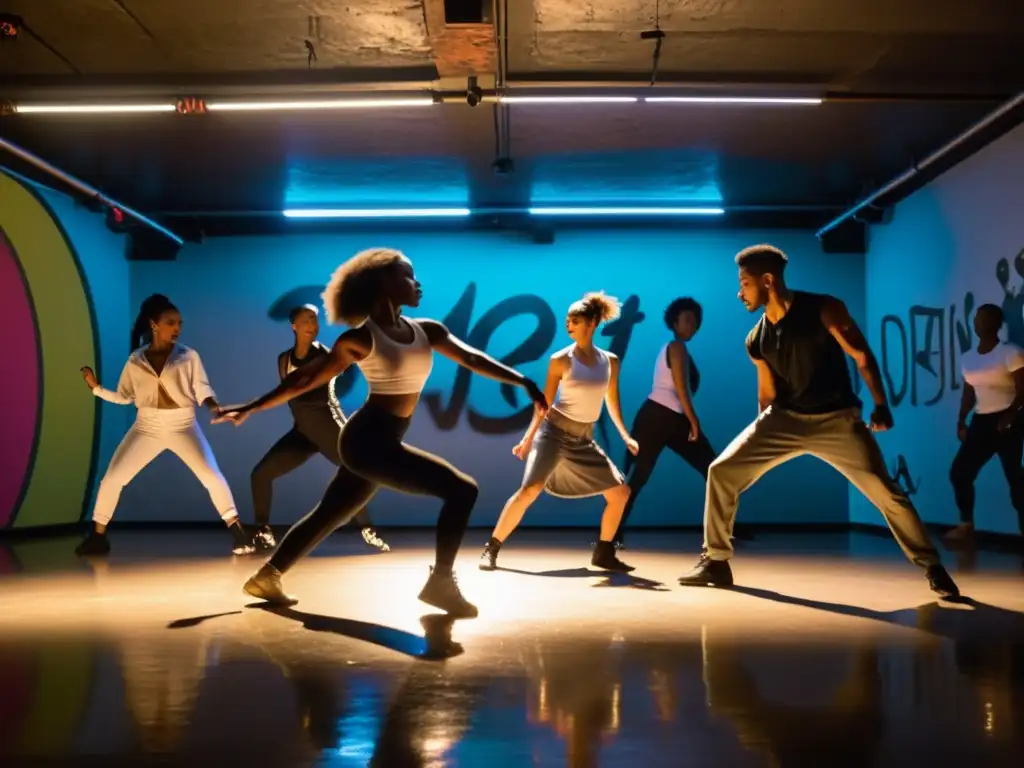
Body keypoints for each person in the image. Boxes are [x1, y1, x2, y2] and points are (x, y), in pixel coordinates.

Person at [215, 247, 547, 617]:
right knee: (461, 490)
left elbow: (471, 358)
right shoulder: (359, 340)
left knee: (330, 512)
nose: (417, 283)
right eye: (408, 275)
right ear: (383, 284)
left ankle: (267, 576)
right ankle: (440, 583)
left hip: (383, 439)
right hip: (366, 440)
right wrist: (251, 406)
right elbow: (304, 379)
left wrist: (522, 381)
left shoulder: (427, 330)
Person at [676, 245, 959, 598]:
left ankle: (932, 566)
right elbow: (766, 395)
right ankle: (716, 562)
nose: (740, 293)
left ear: (767, 280)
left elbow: (861, 354)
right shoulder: (756, 339)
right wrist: (759, 438)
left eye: (744, 284)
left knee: (887, 492)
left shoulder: (824, 307)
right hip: (784, 419)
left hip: (837, 420)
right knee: (721, 471)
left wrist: (880, 404)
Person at [76, 294, 252, 557]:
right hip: (146, 426)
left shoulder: (188, 355)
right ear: (154, 325)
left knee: (211, 476)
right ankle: (98, 537)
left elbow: (202, 389)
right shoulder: (136, 360)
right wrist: (96, 389)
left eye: (179, 323)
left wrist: (216, 407)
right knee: (113, 478)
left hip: (183, 424)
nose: (177, 328)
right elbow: (125, 397)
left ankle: (239, 533)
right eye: (171, 322)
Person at [478, 292, 638, 573]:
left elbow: (612, 401)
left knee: (620, 493)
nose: (568, 325)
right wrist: (527, 439)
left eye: (574, 320)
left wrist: (625, 436)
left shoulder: (610, 361)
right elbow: (544, 404)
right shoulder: (560, 360)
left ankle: (603, 552)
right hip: (553, 433)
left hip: (583, 439)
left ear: (591, 323)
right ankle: (491, 549)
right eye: (567, 320)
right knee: (529, 490)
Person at [249, 304, 389, 553]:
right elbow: (286, 394)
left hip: (329, 427)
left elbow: (309, 389)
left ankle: (368, 530)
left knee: (356, 473)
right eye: (307, 320)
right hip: (303, 432)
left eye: (315, 320)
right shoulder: (284, 359)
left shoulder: (326, 355)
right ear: (294, 326)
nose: (313, 325)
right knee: (260, 474)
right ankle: (262, 530)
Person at [613, 297, 717, 547]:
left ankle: (723, 529)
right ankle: (610, 536)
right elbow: (681, 388)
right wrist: (694, 420)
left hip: (663, 417)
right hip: (659, 417)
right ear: (675, 322)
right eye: (688, 320)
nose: (693, 325)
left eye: (696, 321)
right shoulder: (676, 347)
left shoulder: (677, 348)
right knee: (636, 478)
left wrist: (688, 419)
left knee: (713, 469)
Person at [947, 303, 1024, 541]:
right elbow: (969, 393)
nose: (977, 322)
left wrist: (1011, 414)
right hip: (982, 421)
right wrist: (961, 420)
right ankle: (966, 524)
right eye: (976, 318)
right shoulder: (968, 358)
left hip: (1009, 420)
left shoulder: (1010, 352)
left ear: (996, 323)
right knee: (960, 473)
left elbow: (1022, 389)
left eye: (983, 318)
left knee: (1015, 478)